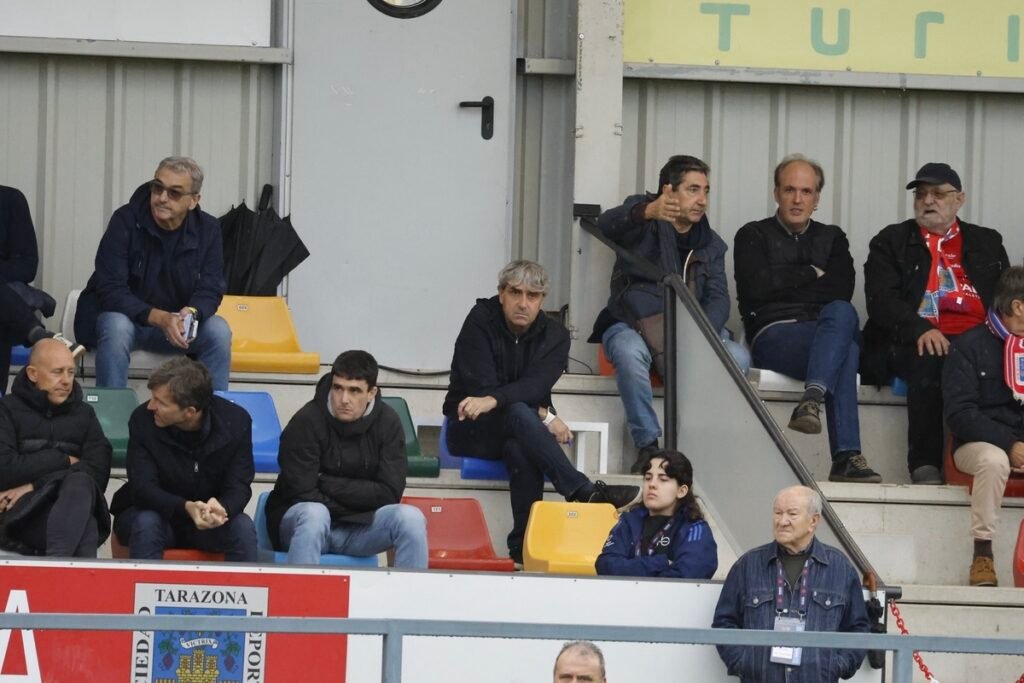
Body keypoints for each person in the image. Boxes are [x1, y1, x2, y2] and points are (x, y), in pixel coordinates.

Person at [444, 260, 640, 564]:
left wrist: (498, 400)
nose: (523, 303)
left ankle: (522, 548)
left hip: (517, 428)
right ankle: (581, 490)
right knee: (520, 415)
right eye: (516, 293)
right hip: (470, 428)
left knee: (520, 445)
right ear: (501, 294)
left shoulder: (555, 335)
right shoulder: (480, 319)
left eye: (532, 296)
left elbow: (535, 387)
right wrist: (544, 415)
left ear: (542, 300)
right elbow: (479, 382)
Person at [589, 155, 750, 472]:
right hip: (632, 321)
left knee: (739, 358)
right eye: (693, 189)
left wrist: (697, 333)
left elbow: (719, 300)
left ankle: (699, 443)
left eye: (705, 191)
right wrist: (648, 211)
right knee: (626, 350)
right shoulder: (641, 216)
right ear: (669, 191)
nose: (702, 199)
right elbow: (606, 223)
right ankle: (648, 446)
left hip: (692, 328)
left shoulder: (712, 245)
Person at [734, 154, 880, 483]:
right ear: (776, 193)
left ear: (817, 198)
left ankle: (811, 399)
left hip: (825, 332)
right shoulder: (752, 234)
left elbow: (841, 289)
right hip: (775, 335)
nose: (797, 199)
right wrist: (809, 273)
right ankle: (845, 455)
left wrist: (784, 283)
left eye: (806, 191)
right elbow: (757, 288)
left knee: (843, 314)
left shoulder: (833, 237)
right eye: (789, 190)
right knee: (846, 347)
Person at [864, 162, 1009, 485]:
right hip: (914, 337)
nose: (928, 201)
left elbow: (1004, 298)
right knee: (930, 355)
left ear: (959, 200)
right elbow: (881, 300)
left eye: (938, 194)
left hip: (978, 338)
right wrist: (921, 328)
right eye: (921, 194)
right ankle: (925, 463)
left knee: (1003, 359)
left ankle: (1004, 451)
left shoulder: (986, 241)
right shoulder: (891, 241)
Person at [75, 156, 232, 390]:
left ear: (194, 201)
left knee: (218, 330)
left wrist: (191, 314)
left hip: (176, 328)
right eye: (157, 187)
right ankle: (110, 419)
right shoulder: (126, 220)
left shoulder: (208, 230)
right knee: (116, 325)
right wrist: (160, 318)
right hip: (130, 323)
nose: (162, 198)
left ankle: (213, 419)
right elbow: (110, 289)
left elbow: (211, 287)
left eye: (175, 192)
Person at [265, 350, 428, 568]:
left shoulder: (389, 422)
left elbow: (389, 493)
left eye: (354, 391)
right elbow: (302, 492)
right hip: (302, 526)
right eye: (338, 388)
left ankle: (407, 601)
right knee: (315, 513)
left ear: (371, 392)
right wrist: (359, 502)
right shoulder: (306, 421)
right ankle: (302, 600)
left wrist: (325, 482)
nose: (344, 399)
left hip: (361, 529)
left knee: (411, 519)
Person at [712, 485, 870, 682]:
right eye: (777, 513)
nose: (782, 521)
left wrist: (837, 666)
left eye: (791, 514)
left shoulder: (840, 568)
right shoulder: (748, 565)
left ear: (813, 521)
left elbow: (858, 627)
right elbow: (724, 622)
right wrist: (743, 663)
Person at [110, 357, 256, 561]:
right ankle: (144, 591)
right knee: (147, 523)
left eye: (160, 402)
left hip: (207, 520)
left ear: (189, 412)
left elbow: (239, 485)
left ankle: (244, 591)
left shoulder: (236, 422)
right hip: (154, 513)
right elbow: (142, 488)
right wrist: (185, 507)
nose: (151, 406)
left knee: (242, 527)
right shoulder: (142, 419)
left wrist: (223, 507)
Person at [942, 267, 1024, 586]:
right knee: (995, 459)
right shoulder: (969, 346)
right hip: (977, 446)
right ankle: (983, 555)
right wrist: (1010, 443)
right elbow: (960, 414)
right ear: (1018, 307)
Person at [0, 339, 111, 556]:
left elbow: (98, 474)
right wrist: (64, 460)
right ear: (33, 374)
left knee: (81, 484)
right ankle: (65, 577)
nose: (66, 381)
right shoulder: (7, 410)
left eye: (70, 372)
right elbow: (5, 469)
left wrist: (34, 484)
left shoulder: (85, 414)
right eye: (57, 372)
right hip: (18, 515)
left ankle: (56, 566)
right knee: (85, 527)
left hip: (66, 509)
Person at [595, 449, 717, 579]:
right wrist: (661, 563)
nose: (652, 484)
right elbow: (605, 565)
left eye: (663, 479)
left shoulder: (695, 527)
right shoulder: (628, 521)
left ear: (681, 491)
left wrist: (632, 569)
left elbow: (689, 574)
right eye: (648, 478)